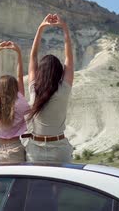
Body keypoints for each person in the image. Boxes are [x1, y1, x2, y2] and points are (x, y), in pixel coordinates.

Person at [25, 13, 74, 162]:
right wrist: (64, 28)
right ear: (60, 72)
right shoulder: (63, 89)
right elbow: (69, 59)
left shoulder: (34, 89)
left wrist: (41, 28)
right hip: (60, 148)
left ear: (40, 71)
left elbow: (32, 57)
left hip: (35, 150)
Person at [0, 41, 30, 163]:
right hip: (16, 148)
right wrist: (18, 53)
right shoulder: (19, 102)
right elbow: (20, 76)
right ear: (15, 88)